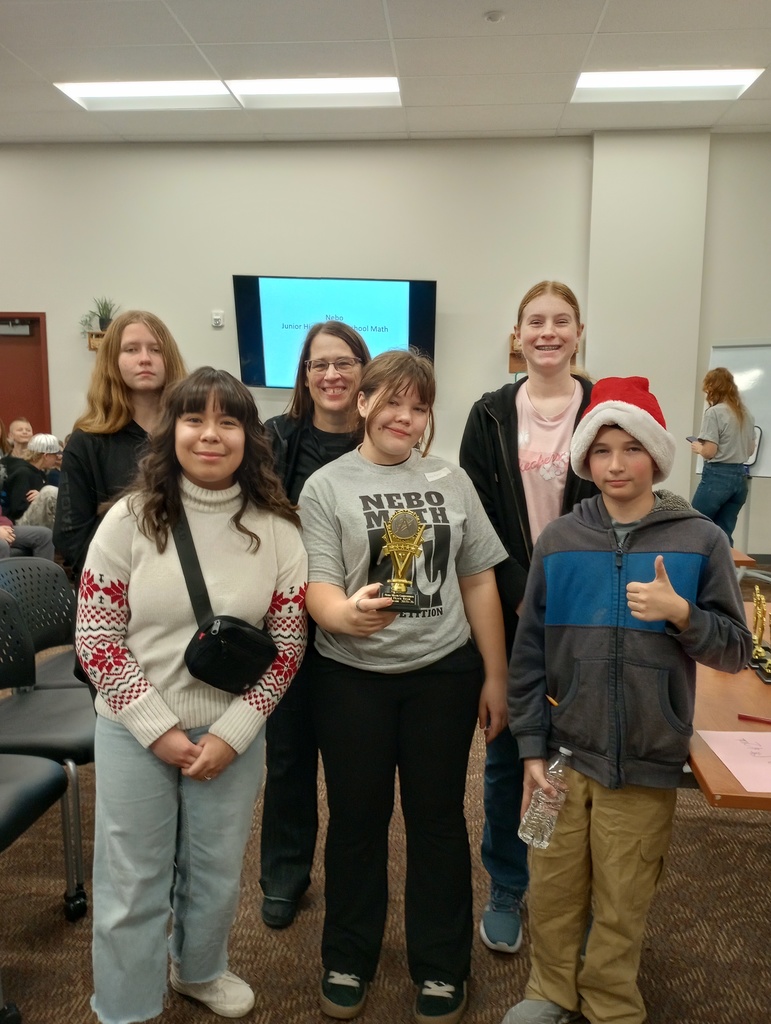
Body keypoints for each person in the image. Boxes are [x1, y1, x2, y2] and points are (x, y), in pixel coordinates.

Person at [500, 376, 751, 1024]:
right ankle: (550, 991)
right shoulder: (560, 540)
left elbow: (734, 650)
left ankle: (610, 1001)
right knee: (553, 887)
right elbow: (528, 655)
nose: (616, 464)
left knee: (623, 895)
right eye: (602, 449)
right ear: (585, 458)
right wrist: (530, 748)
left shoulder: (700, 539)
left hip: (644, 760)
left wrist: (682, 614)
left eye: (632, 447)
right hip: (563, 756)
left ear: (656, 455)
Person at [75, 367, 308, 1024]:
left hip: (230, 734)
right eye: (194, 419)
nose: (210, 434)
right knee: (133, 878)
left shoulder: (277, 529)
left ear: (249, 436)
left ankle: (200, 970)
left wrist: (232, 733)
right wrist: (158, 729)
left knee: (214, 870)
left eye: (227, 421)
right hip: (132, 729)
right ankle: (125, 1005)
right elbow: (95, 635)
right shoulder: (128, 520)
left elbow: (288, 645)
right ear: (170, 430)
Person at [300, 349, 509, 1024]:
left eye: (419, 407)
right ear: (361, 403)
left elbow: (478, 579)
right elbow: (318, 585)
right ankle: (348, 957)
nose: (405, 417)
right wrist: (344, 615)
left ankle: (442, 966)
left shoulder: (451, 479)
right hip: (350, 678)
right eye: (392, 402)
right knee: (356, 820)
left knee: (437, 820)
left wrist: (495, 674)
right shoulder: (325, 486)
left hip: (442, 675)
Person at [459, 281, 596, 954]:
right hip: (512, 607)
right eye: (534, 321)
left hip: (588, 607)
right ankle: (508, 886)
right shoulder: (488, 413)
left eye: (560, 321)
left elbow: (619, 499)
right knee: (509, 751)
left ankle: (568, 889)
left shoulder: (604, 405)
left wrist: (568, 592)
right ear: (517, 334)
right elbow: (474, 514)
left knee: (578, 755)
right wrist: (522, 591)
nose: (547, 332)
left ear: (578, 333)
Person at [260, 320, 371, 930]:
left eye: (344, 362)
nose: (332, 375)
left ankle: (354, 877)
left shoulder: (383, 436)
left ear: (364, 370)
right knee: (289, 755)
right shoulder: (276, 439)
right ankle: (285, 873)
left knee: (357, 764)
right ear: (304, 376)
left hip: (363, 623)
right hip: (289, 625)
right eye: (319, 364)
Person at [55, 309, 186, 577]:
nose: (145, 358)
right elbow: (71, 537)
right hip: (116, 584)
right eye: (131, 349)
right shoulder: (86, 442)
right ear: (112, 360)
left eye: (156, 350)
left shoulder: (190, 436)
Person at [690, 366, 756, 547]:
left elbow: (710, 451)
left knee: (694, 525)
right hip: (740, 480)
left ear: (712, 388)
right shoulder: (746, 414)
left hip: (717, 478)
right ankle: (724, 565)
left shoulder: (714, 412)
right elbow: (750, 450)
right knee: (724, 533)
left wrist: (698, 447)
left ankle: (695, 565)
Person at [3, 433, 60, 528]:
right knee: (49, 492)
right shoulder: (23, 473)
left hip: (30, 520)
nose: (57, 458)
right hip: (18, 523)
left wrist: (40, 497)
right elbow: (17, 509)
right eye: (55, 455)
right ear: (46, 456)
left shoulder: (40, 473)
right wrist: (40, 498)